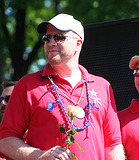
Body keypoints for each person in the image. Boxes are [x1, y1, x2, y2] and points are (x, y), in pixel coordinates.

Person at [0, 13, 125, 160]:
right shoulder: (27, 85)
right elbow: (5, 140)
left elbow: (112, 145)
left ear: (78, 44)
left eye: (59, 37)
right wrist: (39, 156)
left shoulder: (102, 86)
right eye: (47, 38)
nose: (51, 42)